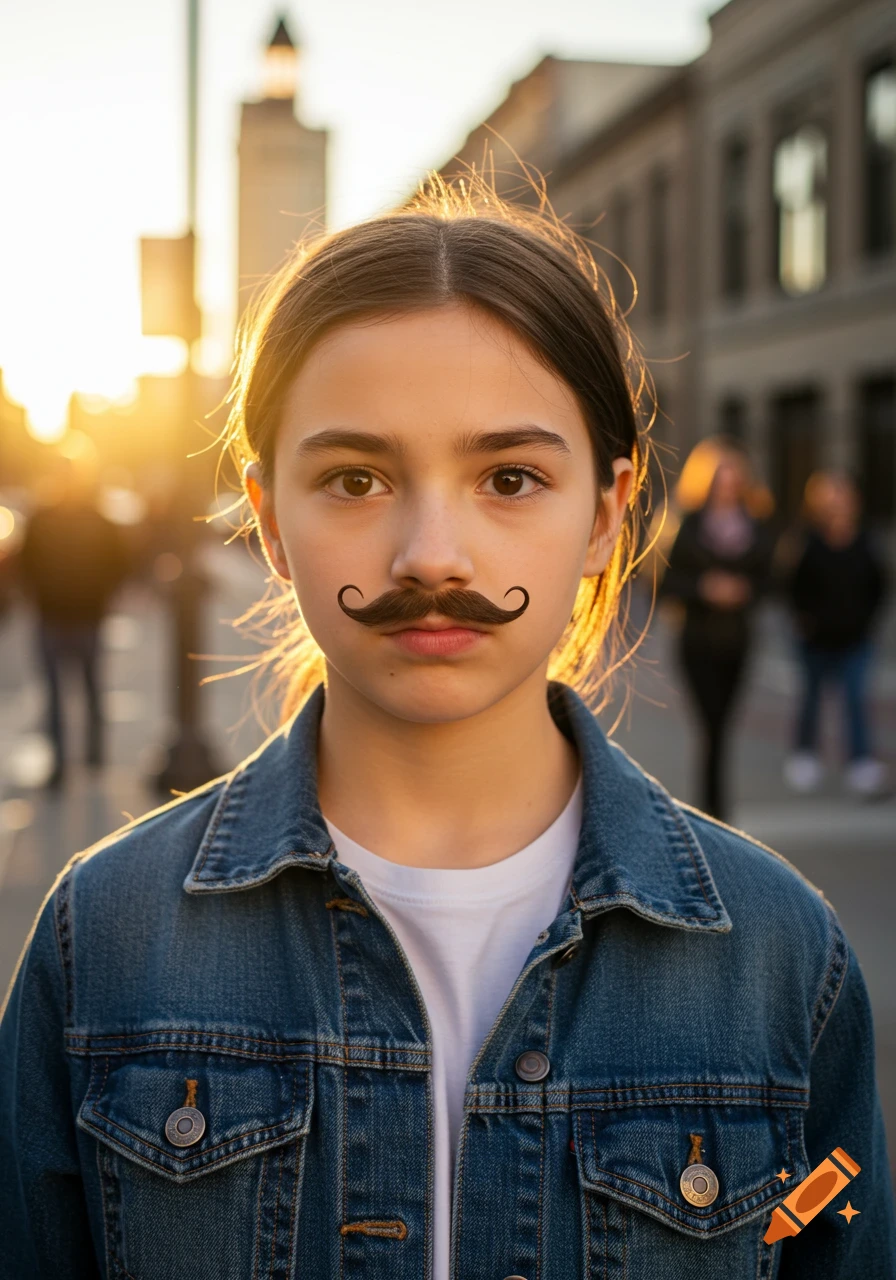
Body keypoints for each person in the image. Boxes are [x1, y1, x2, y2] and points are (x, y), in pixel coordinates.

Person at [1, 176, 893, 1280]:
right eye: (356, 477)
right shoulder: (104, 937)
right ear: (271, 523)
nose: (431, 552)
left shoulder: (779, 959)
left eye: (509, 477)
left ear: (604, 517)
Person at [658, 439, 777, 820]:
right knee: (710, 725)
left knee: (722, 726)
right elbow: (665, 584)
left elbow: (772, 581)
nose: (727, 485)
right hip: (696, 639)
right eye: (719, 478)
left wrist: (745, 591)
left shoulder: (756, 524)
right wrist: (705, 588)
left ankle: (713, 807)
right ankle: (714, 809)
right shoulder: (687, 523)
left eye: (733, 478)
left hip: (737, 640)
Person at [16, 452, 130, 787]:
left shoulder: (98, 519)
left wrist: (103, 595)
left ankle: (94, 757)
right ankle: (60, 763)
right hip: (52, 615)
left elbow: (119, 561)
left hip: (86, 616)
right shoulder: (42, 518)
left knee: (91, 688)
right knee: (54, 693)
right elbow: (27, 563)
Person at [783, 469, 890, 797]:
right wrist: (804, 620)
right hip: (815, 638)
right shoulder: (806, 541)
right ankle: (805, 754)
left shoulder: (866, 541)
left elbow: (879, 586)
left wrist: (867, 622)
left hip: (855, 638)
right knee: (811, 697)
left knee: (856, 699)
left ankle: (860, 761)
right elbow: (792, 586)